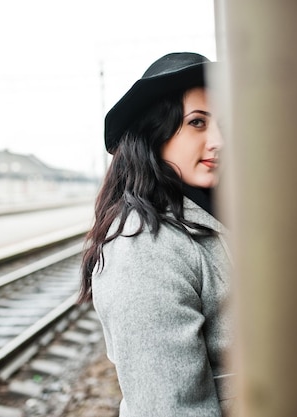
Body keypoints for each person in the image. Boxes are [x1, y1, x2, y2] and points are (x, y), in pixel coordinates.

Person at [79, 52, 234, 416]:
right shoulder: (145, 248)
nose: (220, 141)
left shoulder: (218, 216)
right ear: (154, 133)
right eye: (198, 123)